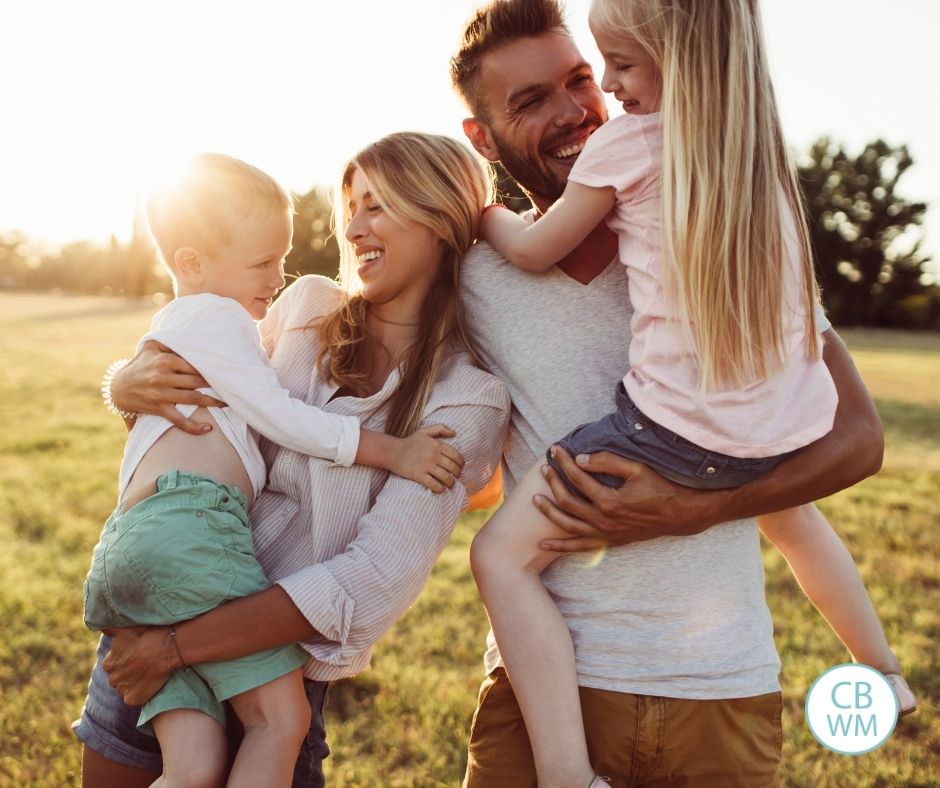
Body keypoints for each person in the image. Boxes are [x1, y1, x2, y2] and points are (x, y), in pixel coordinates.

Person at [466, 1, 914, 785]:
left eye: (591, 77)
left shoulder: (707, 198)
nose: (583, 104)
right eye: (532, 101)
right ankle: (879, 668)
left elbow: (861, 440)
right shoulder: (740, 172)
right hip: (543, 693)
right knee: (794, 519)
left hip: (720, 692)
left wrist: (695, 509)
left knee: (498, 558)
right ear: (482, 135)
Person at [73, 132, 510, 788]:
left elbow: (366, 583)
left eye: (378, 205)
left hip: (253, 674)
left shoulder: (467, 398)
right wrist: (125, 386)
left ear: (441, 214)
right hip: (156, 621)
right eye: (351, 208)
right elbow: (207, 395)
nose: (353, 227)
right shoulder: (306, 306)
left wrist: (178, 648)